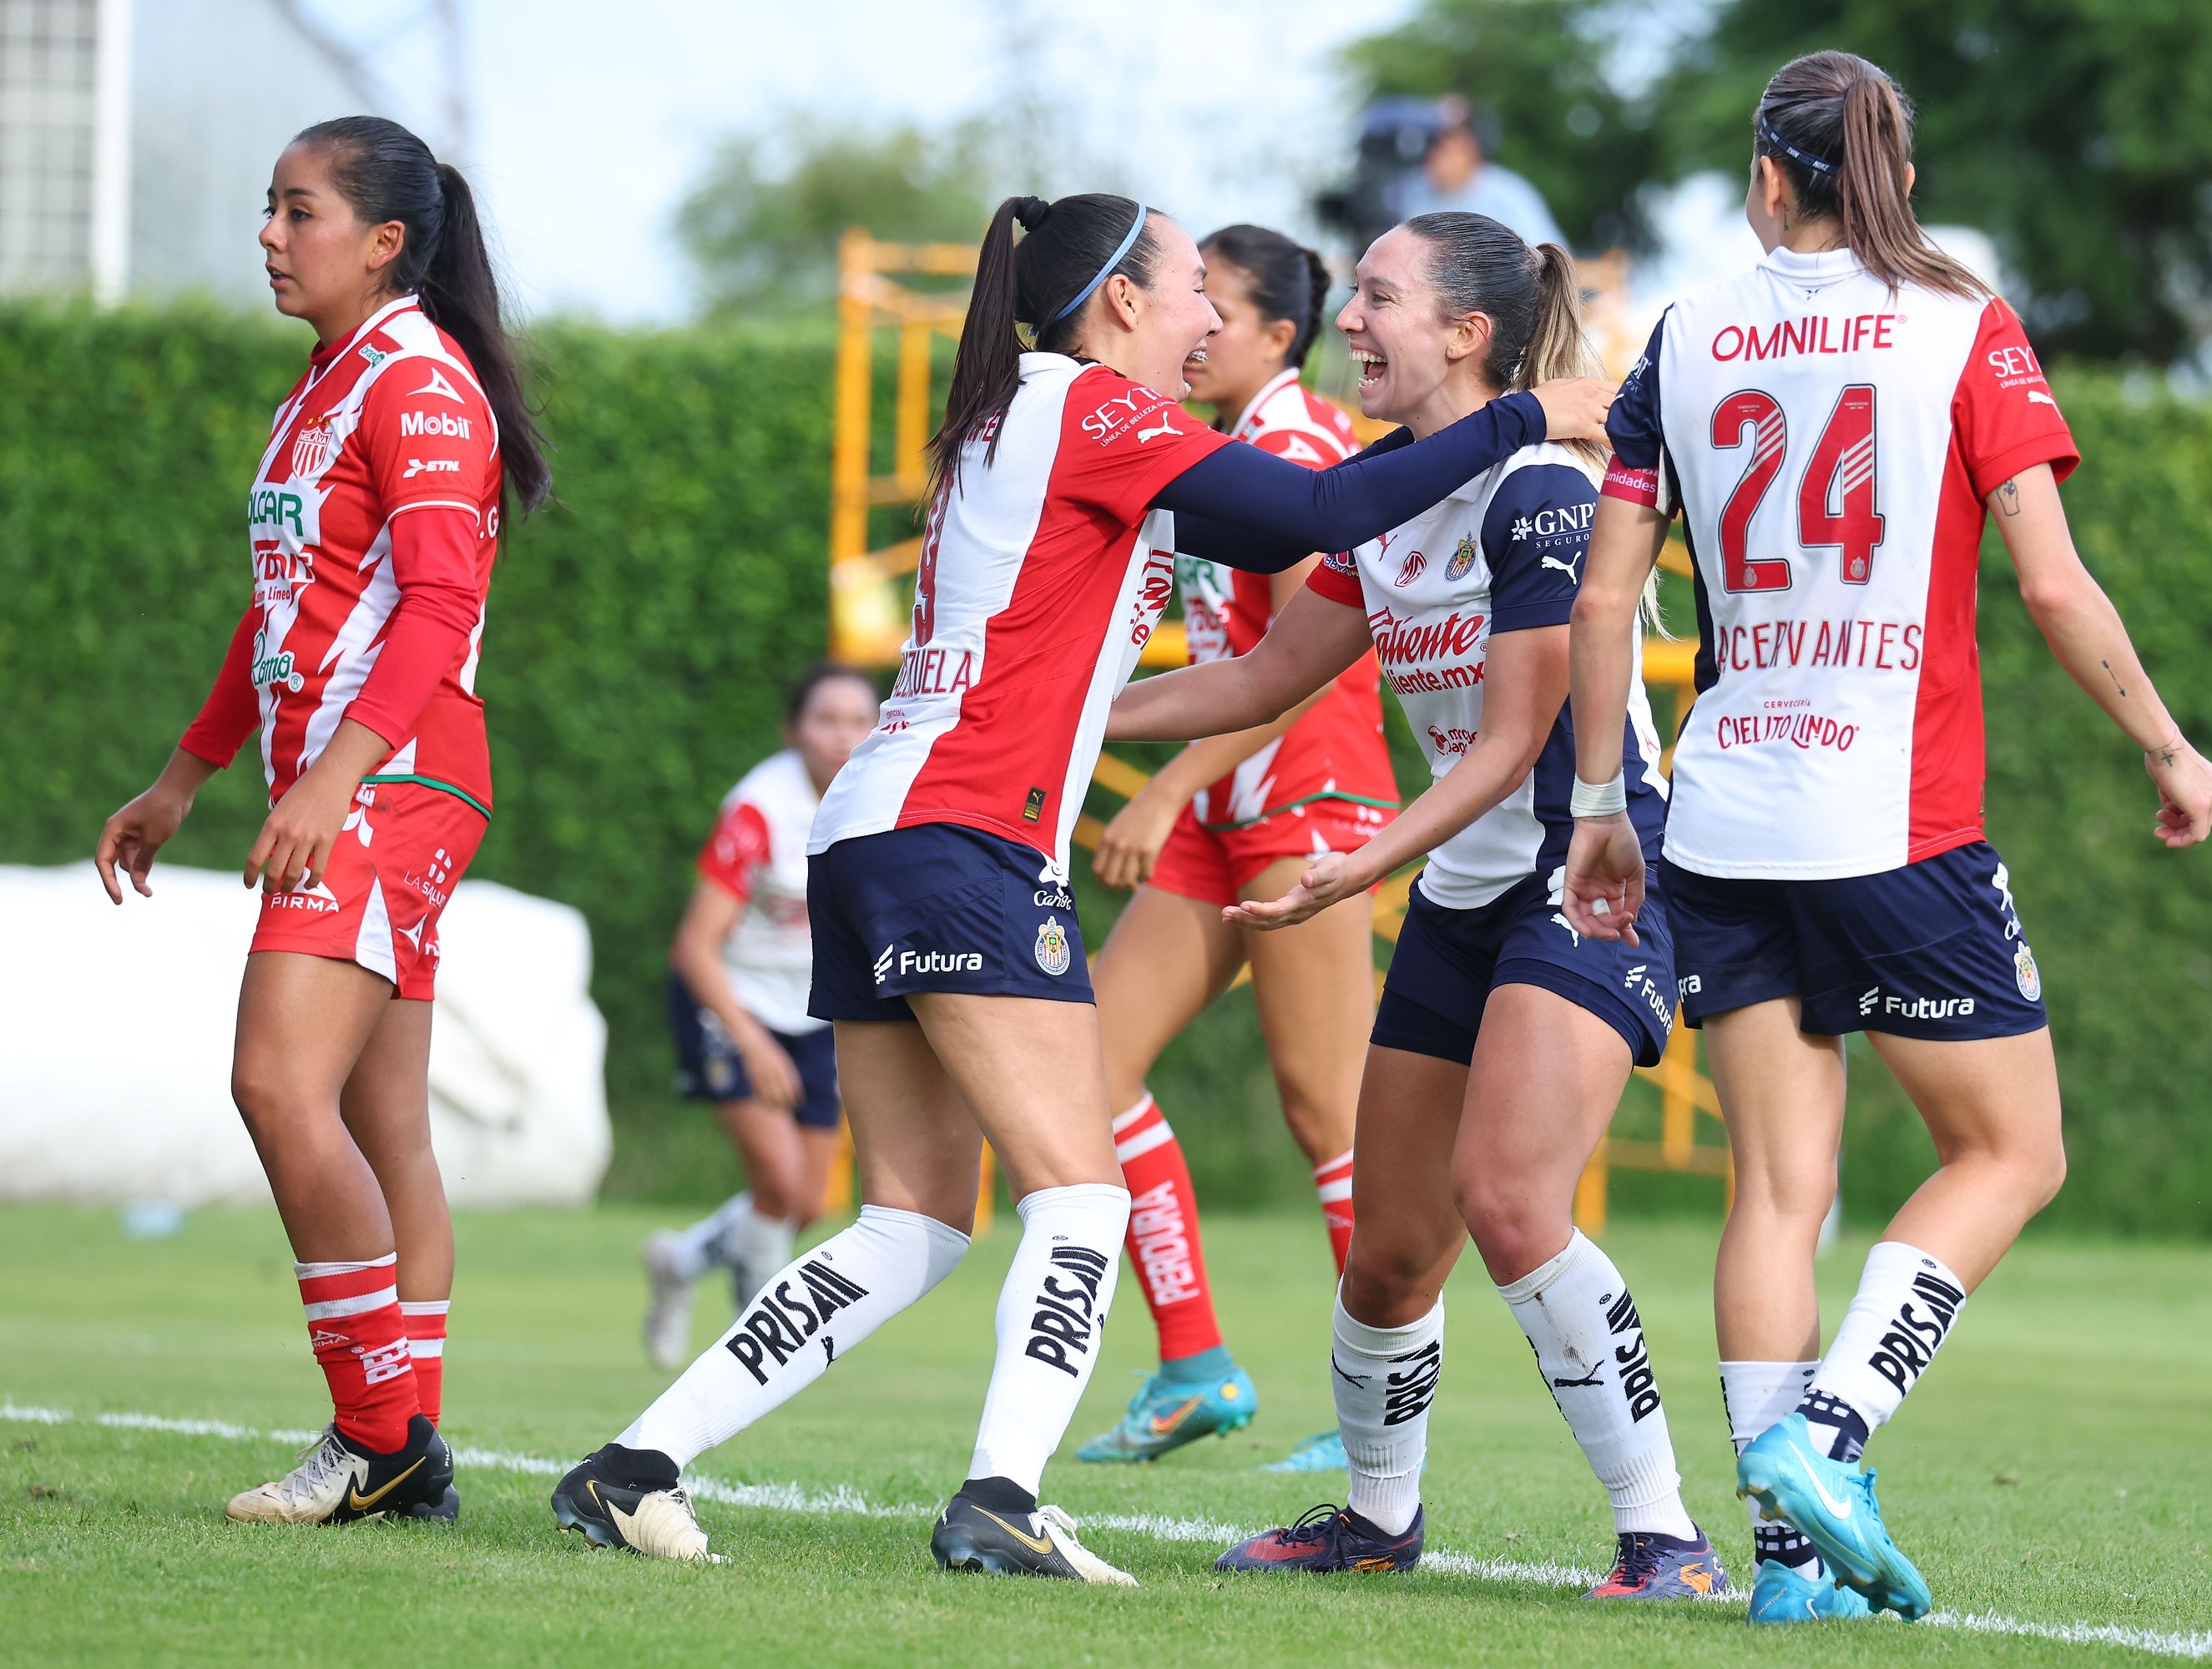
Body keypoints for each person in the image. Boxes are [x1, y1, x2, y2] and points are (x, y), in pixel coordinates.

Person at [548, 191, 1614, 1577]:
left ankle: (632, 1469)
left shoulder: (1015, 413)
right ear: (1119, 300)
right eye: (1189, 290)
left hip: (879, 831)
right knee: (1083, 1194)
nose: (1212, 319)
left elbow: (1179, 646)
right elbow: (1319, 503)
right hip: (967, 837)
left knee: (915, 1222)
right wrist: (1539, 411)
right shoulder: (1086, 407)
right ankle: (1002, 1500)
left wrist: (1091, 716)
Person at [1560, 51, 2212, 1625]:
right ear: (1896, 177)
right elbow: (2054, 587)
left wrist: (1602, 811)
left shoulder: (1688, 332)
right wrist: (2168, 743)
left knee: (1777, 1190)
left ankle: (1788, 1574)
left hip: (1720, 813)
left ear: (1765, 175)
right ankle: (1833, 1444)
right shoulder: (1963, 322)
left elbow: (1605, 601)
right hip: (1894, 817)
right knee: (2011, 1151)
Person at [1107, 211, 1729, 1603]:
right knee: (1389, 1256)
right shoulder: (1389, 493)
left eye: (1377, 299)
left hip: (1589, 877)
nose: (1351, 323)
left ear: (1465, 334)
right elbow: (1262, 679)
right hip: (1462, 883)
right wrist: (1068, 717)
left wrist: (1360, 861)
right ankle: (1378, 1521)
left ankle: (1664, 1535)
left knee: (1507, 1202)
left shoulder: (1542, 492)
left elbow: (1517, 743)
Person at [92, 115, 549, 1525]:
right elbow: (285, 611)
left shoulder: (416, 377)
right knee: (380, 1118)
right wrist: (187, 771)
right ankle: (406, 1443)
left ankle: (379, 1440)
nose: (271, 236)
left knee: (277, 1088)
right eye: (271, 210)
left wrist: (333, 777)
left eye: (299, 212)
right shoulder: (327, 382)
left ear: (386, 241)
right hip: (374, 773)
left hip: (397, 777)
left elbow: (439, 607)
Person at [1073, 224, 1393, 1471]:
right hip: (1227, 809)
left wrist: (1159, 790)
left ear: (1277, 336)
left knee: (1332, 1117)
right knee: (1087, 1075)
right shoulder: (1218, 445)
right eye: (1188, 296)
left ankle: (1376, 1410)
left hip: (1307, 801)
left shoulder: (1302, 443)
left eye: (1221, 304)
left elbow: (1306, 668)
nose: (1196, 320)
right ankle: (1196, 1363)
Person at [641, 663, 882, 1369]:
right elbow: (693, 947)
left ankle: (681, 1262)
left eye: (860, 720)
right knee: (776, 1181)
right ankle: (753, 1350)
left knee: (807, 1201)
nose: (845, 736)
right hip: (731, 1001)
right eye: (826, 720)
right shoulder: (759, 810)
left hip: (812, 1010)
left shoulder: (881, 800)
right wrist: (753, 1044)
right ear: (792, 731)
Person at [1385, 97, 1565, 250]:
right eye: (1434, 143)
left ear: (1474, 151)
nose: (1436, 154)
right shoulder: (1412, 189)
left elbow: (1549, 257)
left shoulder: (1507, 193)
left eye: (1447, 146)